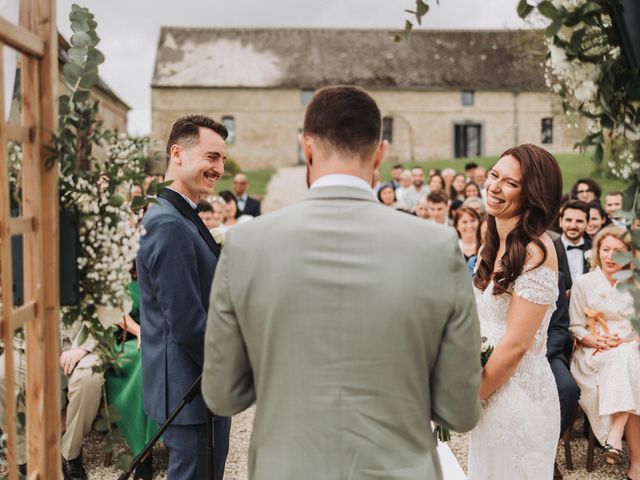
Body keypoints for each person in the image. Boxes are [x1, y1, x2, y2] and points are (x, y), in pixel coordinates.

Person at [203, 85, 482, 480]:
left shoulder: (246, 244)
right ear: (380, 153)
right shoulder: (437, 246)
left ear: (308, 147)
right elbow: (459, 410)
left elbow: (223, 394)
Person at [136, 114, 231, 480]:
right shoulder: (167, 223)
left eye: (221, 159)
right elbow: (189, 323)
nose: (218, 167)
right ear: (177, 153)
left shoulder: (180, 215)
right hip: (190, 392)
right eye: (211, 157)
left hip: (196, 388)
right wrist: (236, 366)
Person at [468, 143, 563, 479]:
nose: (494, 186)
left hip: (517, 396)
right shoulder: (491, 243)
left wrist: (465, 398)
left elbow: (516, 343)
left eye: (510, 182)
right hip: (490, 387)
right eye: (494, 175)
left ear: (533, 195)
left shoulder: (536, 250)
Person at [569, 227, 640, 479]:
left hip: (630, 347)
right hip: (594, 353)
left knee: (629, 357)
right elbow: (575, 324)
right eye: (605, 249)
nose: (610, 256)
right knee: (631, 365)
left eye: (618, 251)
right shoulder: (583, 283)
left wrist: (630, 338)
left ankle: (616, 437)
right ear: (597, 251)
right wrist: (595, 338)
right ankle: (635, 463)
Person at [105, 263, 158, 480]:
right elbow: (110, 310)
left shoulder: (148, 261)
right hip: (121, 342)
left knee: (159, 359)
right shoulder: (107, 269)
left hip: (153, 336)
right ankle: (143, 454)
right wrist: (138, 330)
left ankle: (170, 435)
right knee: (144, 361)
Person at [553, 200, 592, 292]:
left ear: (587, 223)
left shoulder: (595, 249)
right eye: (568, 220)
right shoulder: (550, 250)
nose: (573, 225)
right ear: (560, 221)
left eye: (579, 221)